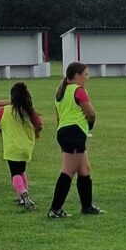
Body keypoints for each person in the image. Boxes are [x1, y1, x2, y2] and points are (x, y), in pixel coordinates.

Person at [48, 62, 103, 218]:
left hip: (65, 132)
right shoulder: (79, 91)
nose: (87, 78)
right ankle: (55, 209)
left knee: (84, 170)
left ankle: (87, 207)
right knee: (67, 171)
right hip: (74, 133)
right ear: (77, 76)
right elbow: (91, 114)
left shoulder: (61, 93)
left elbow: (59, 118)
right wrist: (90, 125)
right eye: (86, 74)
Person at [0, 82, 44, 209]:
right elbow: (39, 125)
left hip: (12, 147)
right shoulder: (28, 110)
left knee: (15, 174)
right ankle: (23, 197)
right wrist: (34, 130)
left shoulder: (5, 110)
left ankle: (23, 193)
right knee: (22, 170)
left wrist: (1, 131)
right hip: (26, 147)